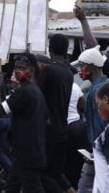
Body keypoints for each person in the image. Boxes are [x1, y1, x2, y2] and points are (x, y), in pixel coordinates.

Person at [0, 53, 48, 192]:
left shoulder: (25, 92)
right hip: (24, 152)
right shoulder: (33, 91)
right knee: (12, 187)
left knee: (33, 188)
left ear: (32, 70)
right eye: (16, 67)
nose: (17, 71)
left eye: (22, 67)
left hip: (27, 153)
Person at [37, 34, 75, 193]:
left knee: (43, 173)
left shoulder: (49, 71)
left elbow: (38, 98)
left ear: (50, 49)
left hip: (48, 130)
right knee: (56, 172)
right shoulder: (68, 72)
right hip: (62, 128)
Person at [76, 45, 109, 193]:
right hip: (105, 151)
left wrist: (96, 152)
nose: (80, 70)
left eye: (82, 66)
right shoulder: (106, 85)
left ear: (91, 67)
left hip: (100, 153)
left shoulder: (97, 91)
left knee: (85, 187)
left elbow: (100, 124)